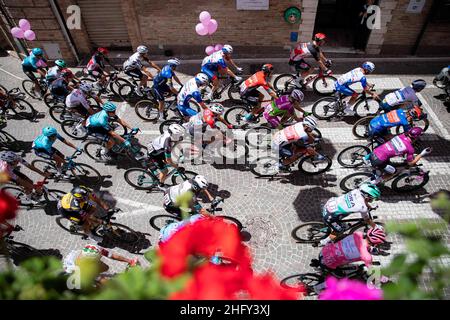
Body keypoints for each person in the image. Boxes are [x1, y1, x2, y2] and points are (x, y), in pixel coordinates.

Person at [364, 127, 432, 183]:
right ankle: (375, 182)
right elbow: (410, 163)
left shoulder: (400, 136)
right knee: (393, 172)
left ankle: (378, 173)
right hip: (378, 160)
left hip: (374, 152)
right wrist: (422, 153)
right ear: (417, 137)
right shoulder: (410, 148)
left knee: (389, 164)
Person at [63, 244, 139, 284]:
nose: (101, 257)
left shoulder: (95, 249)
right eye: (98, 258)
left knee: (105, 267)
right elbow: (102, 280)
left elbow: (112, 256)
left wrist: (129, 261)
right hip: (75, 271)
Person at [319, 227, 386, 271]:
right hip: (328, 262)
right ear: (376, 244)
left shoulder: (358, 234)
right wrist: (382, 279)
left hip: (324, 250)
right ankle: (317, 287)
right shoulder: (366, 256)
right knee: (342, 279)